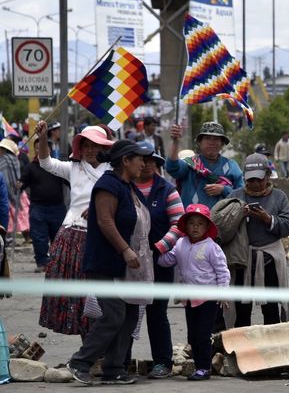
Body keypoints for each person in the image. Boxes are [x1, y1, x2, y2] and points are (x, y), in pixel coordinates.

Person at [67, 140, 154, 385]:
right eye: (140, 158)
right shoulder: (108, 184)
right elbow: (105, 222)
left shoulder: (128, 187)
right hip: (106, 263)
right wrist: (125, 250)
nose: (144, 164)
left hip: (129, 267)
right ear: (125, 160)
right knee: (114, 314)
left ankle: (114, 369)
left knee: (129, 315)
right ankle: (80, 362)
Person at [37, 123, 114, 336]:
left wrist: (99, 209)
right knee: (77, 298)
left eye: (95, 145)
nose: (90, 150)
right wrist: (43, 138)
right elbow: (46, 163)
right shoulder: (74, 168)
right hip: (71, 235)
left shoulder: (114, 171)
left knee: (98, 296)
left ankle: (99, 351)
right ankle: (87, 349)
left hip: (103, 238)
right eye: (86, 145)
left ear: (104, 148)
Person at [158, 204, 230, 381]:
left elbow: (222, 271)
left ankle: (204, 368)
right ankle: (199, 366)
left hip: (209, 298)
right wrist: (157, 253)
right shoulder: (181, 244)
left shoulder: (211, 247)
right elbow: (167, 260)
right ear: (185, 226)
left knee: (203, 334)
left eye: (200, 223)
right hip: (190, 299)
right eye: (191, 223)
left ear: (207, 227)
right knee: (192, 334)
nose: (195, 227)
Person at [133, 141, 185, 379]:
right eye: (140, 160)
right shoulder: (123, 187)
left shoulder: (167, 190)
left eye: (150, 161)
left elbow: (179, 224)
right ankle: (121, 362)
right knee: (127, 312)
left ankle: (162, 362)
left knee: (157, 313)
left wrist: (159, 247)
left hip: (159, 261)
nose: (145, 165)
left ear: (156, 164)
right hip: (129, 261)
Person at [228, 153, 289, 327]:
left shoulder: (279, 197)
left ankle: (270, 349)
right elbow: (222, 227)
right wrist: (237, 216)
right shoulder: (235, 196)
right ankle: (242, 351)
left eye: (259, 179)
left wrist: (268, 219)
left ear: (267, 176)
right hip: (242, 259)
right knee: (241, 310)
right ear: (244, 178)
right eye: (250, 180)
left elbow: (288, 226)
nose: (255, 184)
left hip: (269, 260)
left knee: (271, 309)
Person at [167, 122, 243, 208]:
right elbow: (172, 168)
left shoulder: (232, 166)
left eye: (216, 139)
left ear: (222, 143)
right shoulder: (189, 163)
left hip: (221, 220)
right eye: (207, 138)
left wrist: (223, 190)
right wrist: (175, 141)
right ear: (200, 142)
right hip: (192, 219)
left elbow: (242, 195)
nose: (212, 142)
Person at [19, 139, 67, 272]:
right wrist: (19, 185)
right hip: (38, 208)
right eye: (38, 148)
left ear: (49, 149)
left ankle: (57, 263)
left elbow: (70, 181)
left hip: (57, 208)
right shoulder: (31, 167)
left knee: (58, 238)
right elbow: (23, 183)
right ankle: (42, 263)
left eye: (43, 147)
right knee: (39, 238)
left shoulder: (57, 166)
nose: (41, 150)